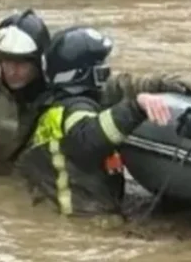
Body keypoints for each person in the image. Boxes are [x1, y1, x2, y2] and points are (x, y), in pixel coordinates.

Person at [0, 8, 191, 191]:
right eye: (5, 62)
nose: (12, 70)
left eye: (21, 63)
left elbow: (124, 86)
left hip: (59, 194)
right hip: (13, 192)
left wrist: (168, 85)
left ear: (40, 62)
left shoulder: (71, 90)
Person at [15, 26, 174, 217]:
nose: (106, 72)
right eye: (101, 66)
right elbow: (89, 139)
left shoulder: (56, 108)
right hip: (84, 221)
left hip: (65, 216)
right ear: (85, 72)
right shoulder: (75, 109)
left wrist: (162, 85)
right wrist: (135, 108)